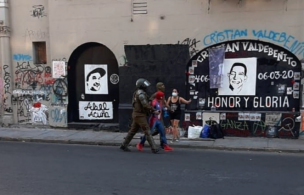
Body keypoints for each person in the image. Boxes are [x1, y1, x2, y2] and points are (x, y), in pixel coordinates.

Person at [120, 78, 160, 153]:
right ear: (142, 86)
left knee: (132, 131)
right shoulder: (141, 94)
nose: (146, 87)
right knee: (147, 131)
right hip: (140, 115)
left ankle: (124, 145)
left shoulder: (138, 92)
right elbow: (145, 105)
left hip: (137, 114)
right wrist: (154, 111)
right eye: (145, 86)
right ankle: (154, 148)